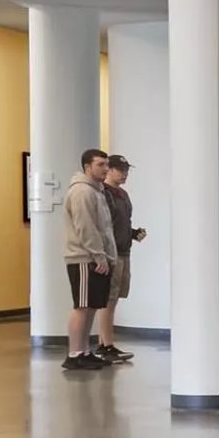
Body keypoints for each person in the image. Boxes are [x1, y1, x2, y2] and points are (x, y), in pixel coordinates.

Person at [60, 148, 117, 374]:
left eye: (106, 164)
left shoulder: (97, 191)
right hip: (84, 258)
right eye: (100, 165)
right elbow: (86, 227)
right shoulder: (82, 191)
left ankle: (84, 351)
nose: (105, 169)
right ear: (87, 167)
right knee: (82, 306)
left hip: (96, 258)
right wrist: (98, 255)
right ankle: (74, 354)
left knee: (92, 306)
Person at [95, 154, 145, 364]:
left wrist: (133, 233)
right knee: (108, 300)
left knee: (114, 299)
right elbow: (103, 225)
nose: (124, 174)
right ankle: (107, 346)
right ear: (110, 170)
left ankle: (102, 344)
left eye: (126, 170)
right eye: (120, 170)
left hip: (124, 251)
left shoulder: (122, 195)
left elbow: (120, 223)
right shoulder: (103, 194)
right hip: (111, 253)